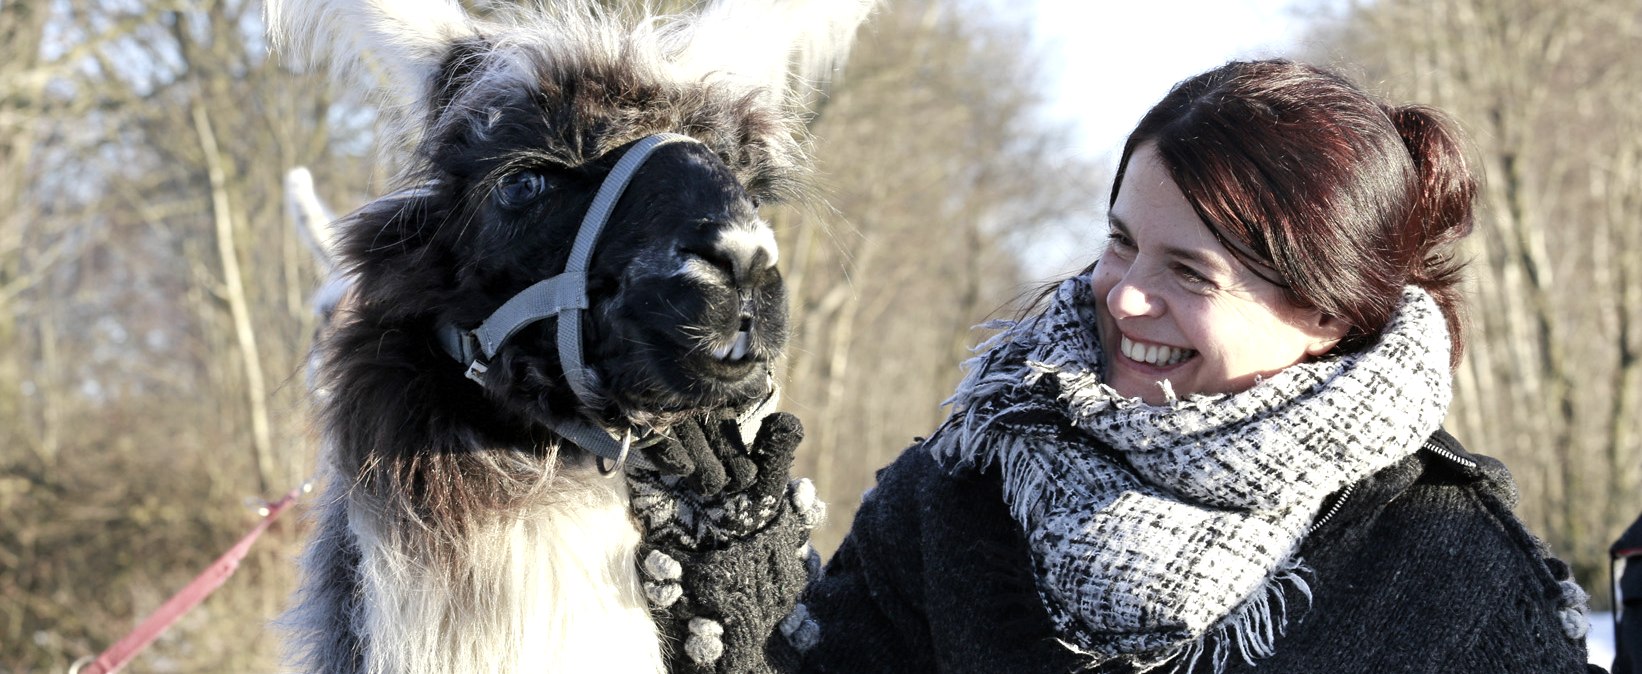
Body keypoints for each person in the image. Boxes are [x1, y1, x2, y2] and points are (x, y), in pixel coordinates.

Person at [634, 58, 1604, 673]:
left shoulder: (1451, 570)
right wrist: (742, 584)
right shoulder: (965, 488)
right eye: (1120, 240)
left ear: (1323, 310)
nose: (1125, 294)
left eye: (1189, 270)